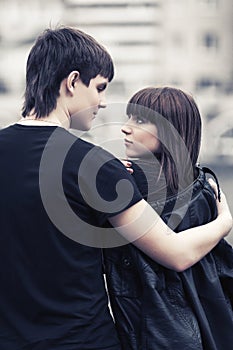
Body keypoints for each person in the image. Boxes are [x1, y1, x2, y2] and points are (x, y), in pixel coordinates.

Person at [0, 27, 231, 350]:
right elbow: (176, 254)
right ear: (72, 82)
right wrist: (224, 222)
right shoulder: (93, 165)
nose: (103, 102)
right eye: (100, 88)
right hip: (83, 341)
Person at [104, 87, 233, 350]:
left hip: (168, 337)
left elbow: (177, 262)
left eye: (140, 120)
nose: (125, 128)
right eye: (129, 118)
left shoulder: (189, 195)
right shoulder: (202, 186)